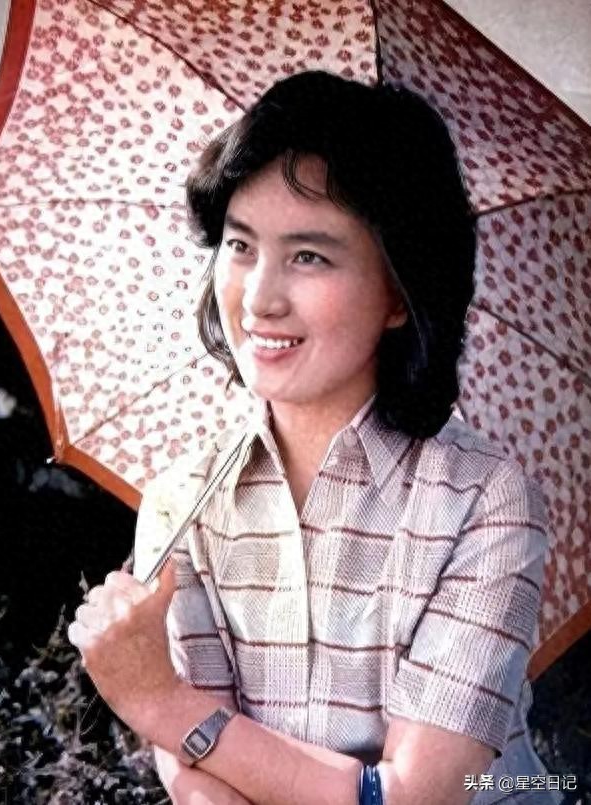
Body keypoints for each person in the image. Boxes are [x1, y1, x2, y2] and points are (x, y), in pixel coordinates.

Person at [69, 71, 561, 805]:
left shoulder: (483, 500)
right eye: (239, 245)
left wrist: (156, 700)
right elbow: (201, 781)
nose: (258, 298)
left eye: (309, 256)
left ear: (399, 294)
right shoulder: (182, 503)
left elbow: (417, 795)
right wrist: (172, 709)